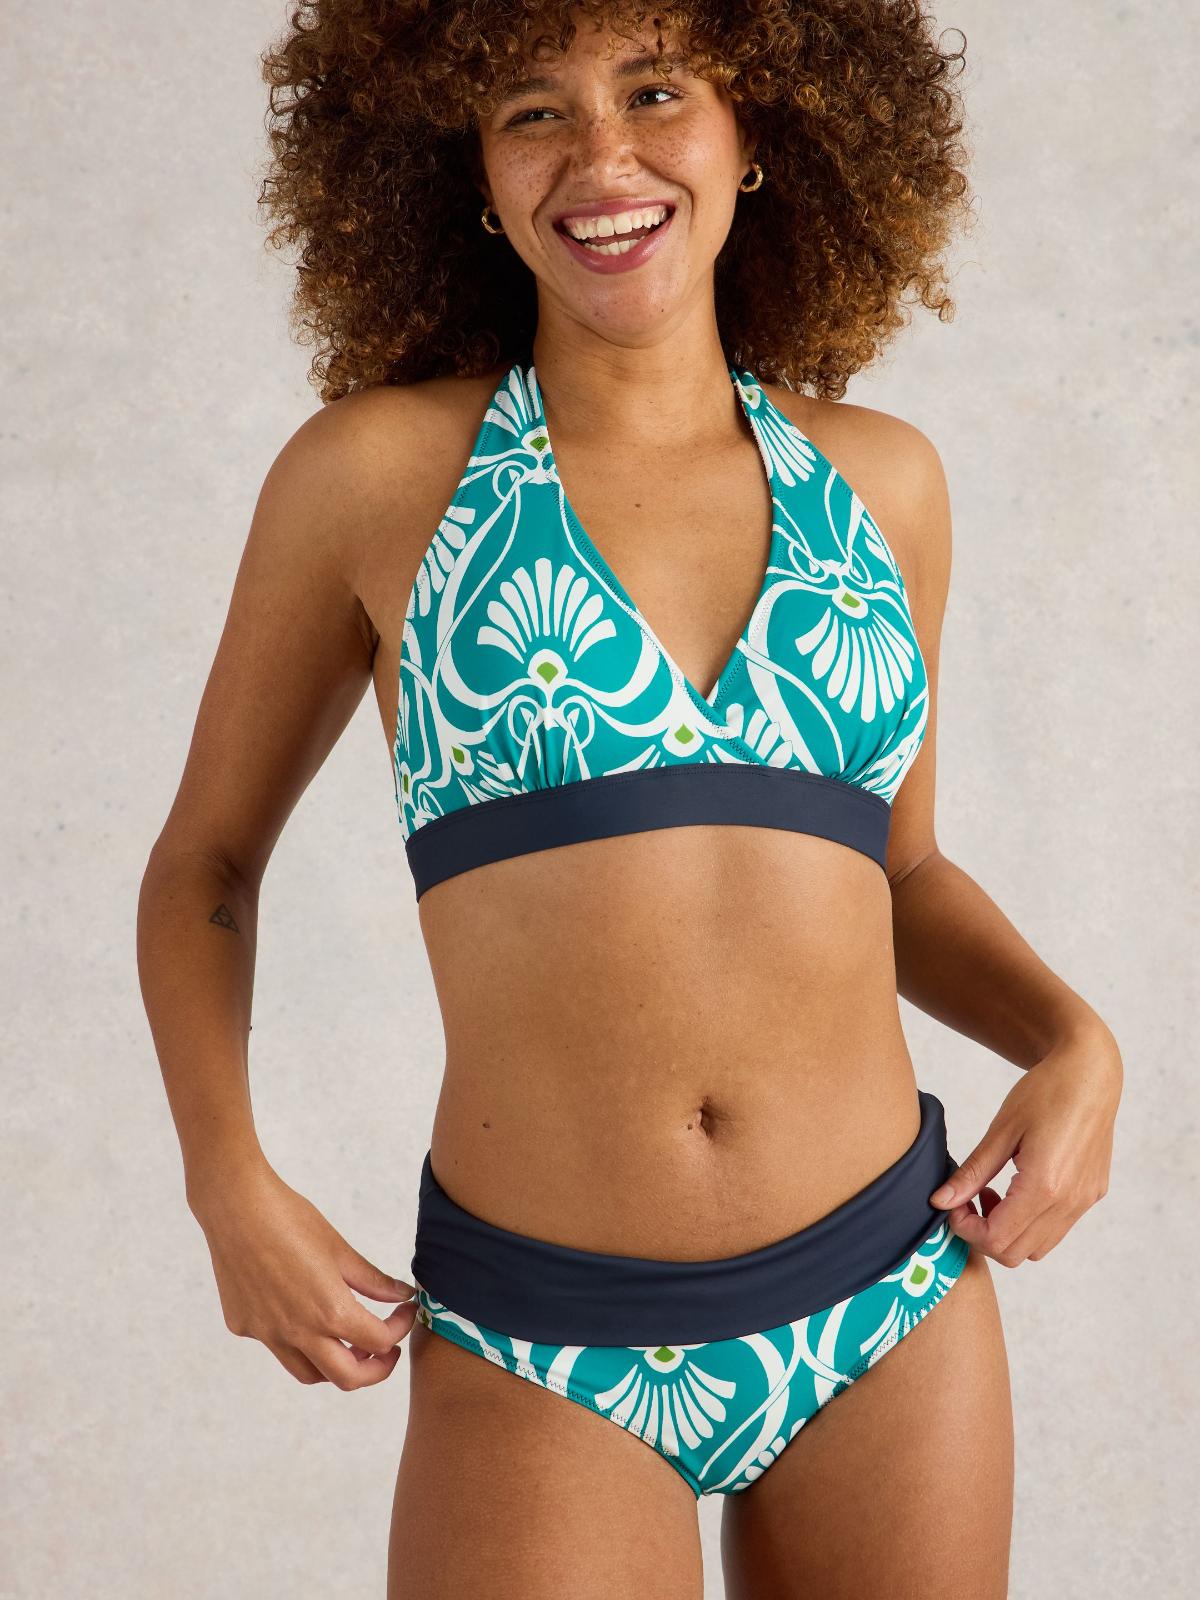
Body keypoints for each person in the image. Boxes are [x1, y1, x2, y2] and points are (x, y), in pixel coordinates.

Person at [137, 3, 1124, 1595]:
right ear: (465, 169)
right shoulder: (375, 479)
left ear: (758, 131)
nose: (603, 156)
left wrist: (1074, 1040)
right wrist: (222, 1181)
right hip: (544, 1339)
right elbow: (209, 861)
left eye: (656, 91)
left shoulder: (884, 483)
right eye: (533, 109)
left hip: (889, 1298)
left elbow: (902, 871)